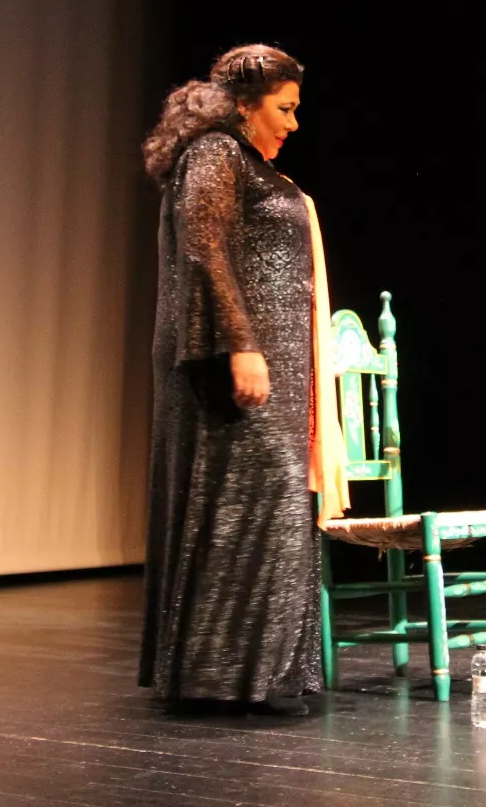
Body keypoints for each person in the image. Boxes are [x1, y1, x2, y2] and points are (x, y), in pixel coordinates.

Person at [138, 44, 348, 717]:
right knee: (253, 508)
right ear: (245, 104)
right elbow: (205, 246)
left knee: (275, 510)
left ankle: (257, 676)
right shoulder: (215, 153)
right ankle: (224, 675)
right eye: (284, 109)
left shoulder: (247, 161)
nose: (292, 124)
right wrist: (241, 346)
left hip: (272, 370)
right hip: (238, 370)